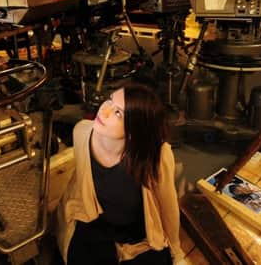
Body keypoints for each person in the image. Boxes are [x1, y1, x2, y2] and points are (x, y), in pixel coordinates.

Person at [56, 83, 186, 265]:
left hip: (139, 237)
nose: (104, 111)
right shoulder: (82, 132)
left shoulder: (156, 155)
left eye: (118, 113)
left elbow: (168, 206)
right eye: (109, 100)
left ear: (134, 131)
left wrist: (177, 251)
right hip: (96, 225)